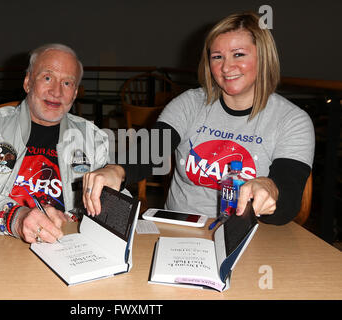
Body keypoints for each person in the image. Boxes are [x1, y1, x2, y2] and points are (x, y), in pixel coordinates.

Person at [83, 11, 315, 225]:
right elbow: (151, 150)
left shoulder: (292, 120)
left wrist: (270, 189)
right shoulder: (190, 103)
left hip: (251, 233)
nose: (226, 67)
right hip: (180, 226)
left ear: (263, 58)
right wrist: (118, 170)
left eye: (238, 54)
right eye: (217, 57)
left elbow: (288, 201)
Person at [0, 43, 111, 243]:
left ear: (75, 93)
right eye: (48, 78)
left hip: (62, 245)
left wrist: (75, 217)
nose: (56, 92)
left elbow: (112, 202)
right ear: (27, 82)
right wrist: (17, 218)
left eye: (67, 83)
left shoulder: (92, 138)